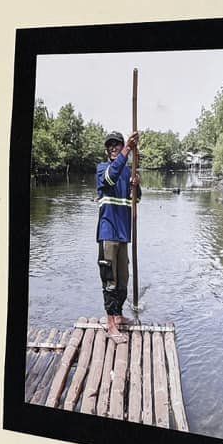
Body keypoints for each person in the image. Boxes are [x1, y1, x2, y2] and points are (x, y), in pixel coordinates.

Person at [95, 132, 139, 334]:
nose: (113, 148)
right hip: (108, 232)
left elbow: (135, 200)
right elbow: (110, 178)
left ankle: (119, 315)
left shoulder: (128, 171)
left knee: (123, 278)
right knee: (110, 279)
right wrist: (127, 149)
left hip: (123, 234)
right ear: (107, 150)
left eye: (117, 144)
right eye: (110, 145)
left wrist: (136, 186)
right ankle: (111, 324)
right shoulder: (103, 169)